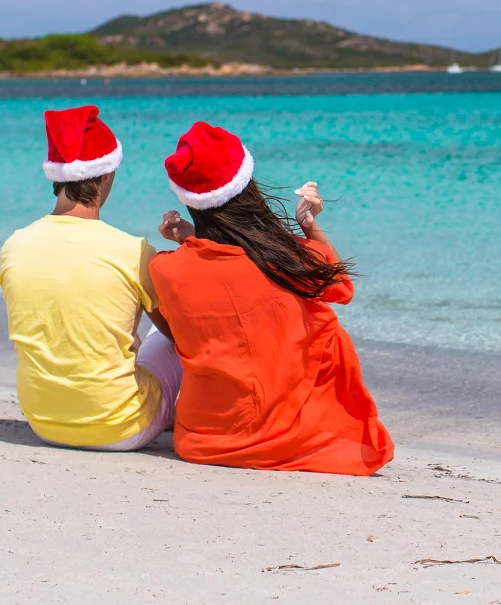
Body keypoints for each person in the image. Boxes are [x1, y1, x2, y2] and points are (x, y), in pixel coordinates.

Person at [150, 121, 393, 475]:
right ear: (247, 188)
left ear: (190, 202)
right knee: (322, 322)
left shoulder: (165, 269)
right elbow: (341, 288)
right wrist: (309, 225)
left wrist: (189, 242)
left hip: (202, 440)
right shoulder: (287, 258)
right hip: (288, 438)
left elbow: (211, 287)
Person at [0, 105, 181, 451]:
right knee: (162, 335)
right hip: (121, 427)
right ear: (107, 175)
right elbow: (180, 335)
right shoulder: (133, 250)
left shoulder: (15, 245)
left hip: (44, 423)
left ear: (56, 178)